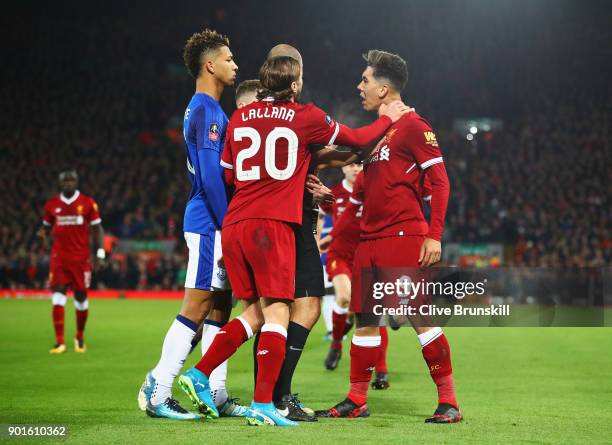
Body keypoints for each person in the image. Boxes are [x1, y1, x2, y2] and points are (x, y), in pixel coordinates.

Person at [178, 55, 410, 427]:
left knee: (254, 312)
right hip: (272, 227)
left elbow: (226, 174)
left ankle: (200, 374)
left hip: (235, 223)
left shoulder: (239, 118)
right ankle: (264, 402)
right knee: (279, 312)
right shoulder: (306, 116)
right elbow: (357, 138)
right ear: (295, 85)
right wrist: (388, 120)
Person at [315, 50, 462, 423]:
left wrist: (434, 235)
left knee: (418, 317)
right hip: (369, 240)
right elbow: (350, 167)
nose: (359, 86)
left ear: (383, 89)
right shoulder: (377, 134)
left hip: (403, 237)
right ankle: (356, 399)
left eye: (364, 81)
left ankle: (449, 403)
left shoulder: (414, 126)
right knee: (365, 320)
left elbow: (441, 182)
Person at [137, 28, 241, 421]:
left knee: (219, 308)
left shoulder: (206, 108)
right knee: (196, 306)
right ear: (210, 64)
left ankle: (216, 392)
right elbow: (212, 177)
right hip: (209, 221)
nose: (235, 65)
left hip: (212, 219)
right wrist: (229, 225)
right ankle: (158, 388)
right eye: (229, 59)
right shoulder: (206, 111)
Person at [38, 169, 105, 354]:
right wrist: (42, 234)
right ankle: (59, 341)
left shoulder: (87, 203)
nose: (68, 183)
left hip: (81, 260)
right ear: (60, 183)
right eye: (65, 180)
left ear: (76, 182)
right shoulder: (52, 204)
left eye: (72, 180)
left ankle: (79, 336)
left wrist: (100, 254)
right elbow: (46, 226)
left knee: (81, 297)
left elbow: (98, 229)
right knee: (58, 295)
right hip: (59, 259)